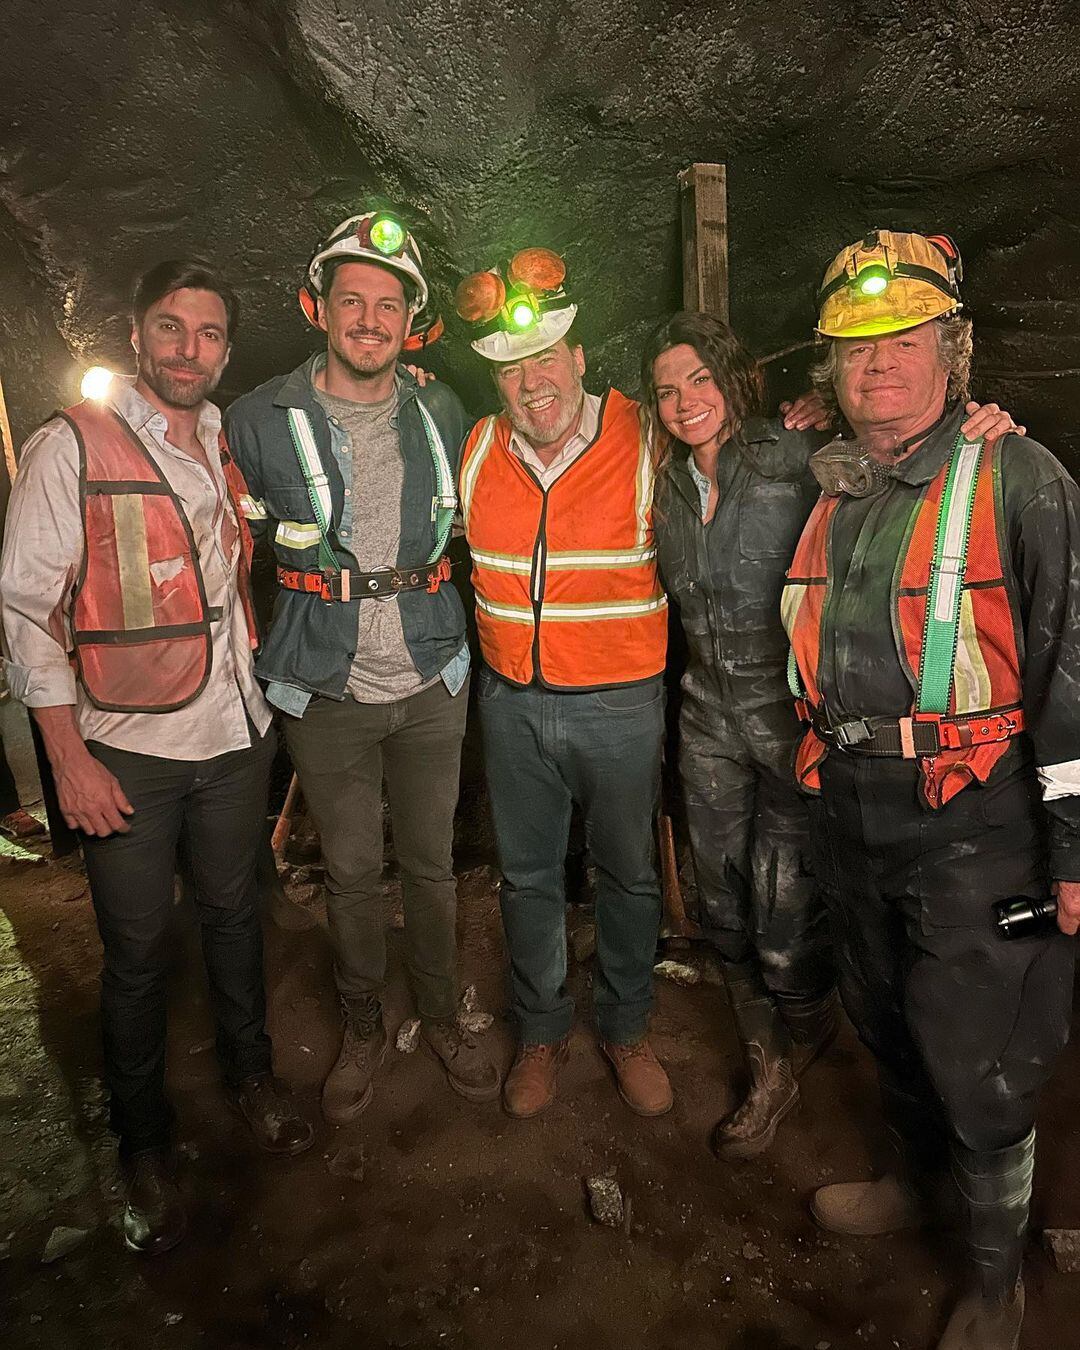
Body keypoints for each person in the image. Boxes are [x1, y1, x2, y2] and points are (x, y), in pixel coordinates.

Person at [783, 228, 1080, 1350]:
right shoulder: (840, 486)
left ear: (955, 352)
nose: (879, 365)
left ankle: (996, 1278)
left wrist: (1076, 851)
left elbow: (1074, 673)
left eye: (905, 339)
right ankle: (913, 1184)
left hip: (980, 824)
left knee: (983, 1055)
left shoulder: (1021, 478)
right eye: (856, 349)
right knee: (887, 1019)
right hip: (856, 807)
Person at [639, 313, 1016, 1162]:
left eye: (699, 379)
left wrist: (985, 427)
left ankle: (805, 1027)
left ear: (734, 379)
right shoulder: (659, 482)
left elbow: (906, 462)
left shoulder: (797, 458)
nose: (683, 401)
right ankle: (769, 1054)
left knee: (787, 908)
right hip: (705, 720)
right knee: (722, 901)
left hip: (795, 721)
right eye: (666, 388)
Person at [0, 259, 313, 1257]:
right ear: (138, 338)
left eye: (209, 334)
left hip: (232, 736)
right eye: (170, 330)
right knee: (136, 957)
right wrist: (68, 762)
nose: (189, 350)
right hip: (127, 752)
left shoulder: (221, 440)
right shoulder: (69, 447)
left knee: (234, 921)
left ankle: (251, 1078)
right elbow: (25, 613)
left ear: (226, 345)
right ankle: (142, 1138)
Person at [225, 209, 500, 1123]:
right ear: (320, 307)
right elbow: (226, 528)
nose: (370, 321)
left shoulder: (443, 409)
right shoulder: (255, 419)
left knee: (427, 865)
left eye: (389, 305)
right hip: (324, 681)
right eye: (354, 301)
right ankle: (364, 1025)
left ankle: (438, 1011)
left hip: (429, 674)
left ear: (410, 323)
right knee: (349, 871)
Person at [454, 248, 673, 1119]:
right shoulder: (477, 449)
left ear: (580, 358)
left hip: (621, 706)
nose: (531, 380)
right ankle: (541, 1033)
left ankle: (626, 1027)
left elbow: (746, 469)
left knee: (627, 877)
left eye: (545, 357)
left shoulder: (647, 434)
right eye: (512, 367)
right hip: (510, 703)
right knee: (529, 878)